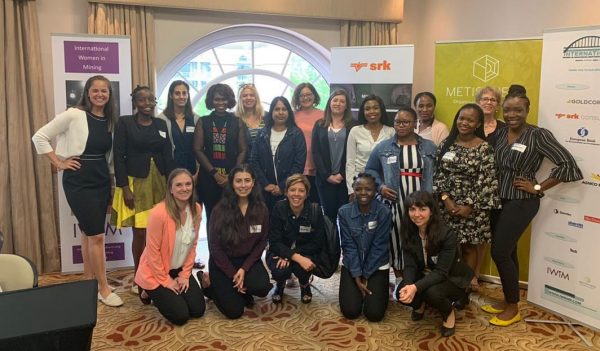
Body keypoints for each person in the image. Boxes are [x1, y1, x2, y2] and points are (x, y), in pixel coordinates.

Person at [482, 85, 582, 326]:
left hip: (521, 201)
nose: (511, 115)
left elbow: (569, 167)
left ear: (527, 110)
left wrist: (538, 188)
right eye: (507, 110)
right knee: (509, 251)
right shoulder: (501, 132)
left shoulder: (538, 135)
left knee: (499, 252)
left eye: (517, 110)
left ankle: (513, 308)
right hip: (499, 200)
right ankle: (509, 299)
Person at [32, 75, 123, 307]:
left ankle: (88, 280)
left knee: (87, 233)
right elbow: (39, 137)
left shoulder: (110, 120)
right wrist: (59, 163)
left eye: (105, 91)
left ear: (109, 95)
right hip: (79, 180)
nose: (100, 94)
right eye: (95, 90)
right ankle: (103, 289)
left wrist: (112, 182)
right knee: (97, 236)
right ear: (88, 93)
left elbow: (109, 156)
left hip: (101, 178)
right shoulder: (74, 114)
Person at [112, 85, 175, 294]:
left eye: (151, 100)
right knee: (140, 233)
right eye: (142, 100)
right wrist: (123, 187)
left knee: (160, 232)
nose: (147, 104)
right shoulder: (125, 123)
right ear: (135, 103)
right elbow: (118, 156)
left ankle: (158, 272)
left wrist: (172, 184)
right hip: (135, 183)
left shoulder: (160, 124)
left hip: (160, 182)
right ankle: (139, 277)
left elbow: (167, 153)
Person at [365, 106, 437, 283]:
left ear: (415, 124)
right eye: (397, 122)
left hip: (422, 202)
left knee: (421, 237)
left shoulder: (429, 146)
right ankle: (399, 278)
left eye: (406, 122)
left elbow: (438, 172)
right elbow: (370, 169)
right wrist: (380, 187)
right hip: (395, 202)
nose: (401, 125)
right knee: (396, 238)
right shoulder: (383, 146)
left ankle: (420, 275)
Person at [433, 103, 501, 291]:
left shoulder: (484, 148)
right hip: (446, 205)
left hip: (473, 207)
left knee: (469, 247)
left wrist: (469, 206)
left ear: (478, 123)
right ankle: (446, 281)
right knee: (448, 246)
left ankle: (464, 285)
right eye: (461, 118)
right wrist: (446, 200)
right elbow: (438, 174)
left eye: (470, 120)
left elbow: (486, 180)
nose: (464, 122)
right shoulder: (446, 144)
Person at [396, 190, 474, 337]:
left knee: (431, 293)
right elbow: (410, 265)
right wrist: (408, 285)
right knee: (401, 291)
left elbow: (441, 272)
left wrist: (415, 287)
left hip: (451, 278)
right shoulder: (408, 231)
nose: (416, 214)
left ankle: (449, 313)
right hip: (427, 274)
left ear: (431, 211)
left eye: (422, 209)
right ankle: (420, 305)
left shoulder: (446, 234)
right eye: (412, 209)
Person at [134, 169, 205, 325]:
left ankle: (165, 293)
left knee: (197, 310)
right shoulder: (158, 213)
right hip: (155, 271)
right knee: (181, 316)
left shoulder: (197, 209)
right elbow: (153, 253)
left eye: (188, 184)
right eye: (178, 185)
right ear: (170, 189)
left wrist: (185, 275)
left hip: (179, 268)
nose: (184, 188)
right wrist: (166, 281)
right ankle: (148, 290)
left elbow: (193, 245)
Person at [206, 164, 272, 319]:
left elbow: (262, 242)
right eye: (238, 181)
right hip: (222, 263)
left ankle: (240, 288)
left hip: (247, 261)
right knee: (234, 312)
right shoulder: (219, 210)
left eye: (247, 180)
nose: (243, 185)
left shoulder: (261, 209)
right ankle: (209, 286)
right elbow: (215, 248)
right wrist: (232, 273)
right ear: (232, 183)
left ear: (253, 182)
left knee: (262, 288)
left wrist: (244, 269)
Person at [338, 173, 391, 322]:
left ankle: (374, 289)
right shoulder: (344, 212)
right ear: (353, 190)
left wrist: (366, 275)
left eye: (368, 189)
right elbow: (348, 246)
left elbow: (379, 247)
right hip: (352, 264)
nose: (363, 193)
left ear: (375, 191)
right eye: (358, 188)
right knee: (350, 311)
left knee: (374, 314)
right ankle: (357, 290)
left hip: (377, 264)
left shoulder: (384, 212)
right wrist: (357, 275)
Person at [193, 83, 248, 222]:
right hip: (209, 178)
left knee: (233, 217)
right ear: (211, 101)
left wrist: (233, 174)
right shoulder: (203, 121)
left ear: (229, 100)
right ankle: (213, 245)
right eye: (217, 99)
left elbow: (243, 150)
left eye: (224, 99)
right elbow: (197, 149)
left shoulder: (237, 122)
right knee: (212, 218)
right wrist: (215, 174)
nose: (221, 103)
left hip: (232, 178)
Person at [267, 174, 325, 304]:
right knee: (280, 270)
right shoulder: (278, 208)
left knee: (304, 267)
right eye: (292, 190)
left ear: (307, 193)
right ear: (286, 192)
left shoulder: (315, 210)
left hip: (305, 250)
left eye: (301, 190)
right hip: (280, 252)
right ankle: (280, 284)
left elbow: (317, 242)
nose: (296, 194)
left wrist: (292, 255)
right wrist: (293, 256)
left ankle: (304, 284)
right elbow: (274, 242)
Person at [250, 97, 306, 211]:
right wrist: (265, 184)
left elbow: (299, 164)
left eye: (284, 109)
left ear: (289, 112)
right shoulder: (262, 133)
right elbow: (254, 161)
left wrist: (282, 186)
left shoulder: (296, 134)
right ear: (271, 112)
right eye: (277, 109)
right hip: (264, 190)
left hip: (288, 190)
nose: (280, 112)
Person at [311, 89, 358, 221]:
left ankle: (343, 242)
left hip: (345, 180)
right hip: (324, 180)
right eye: (335, 100)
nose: (338, 103)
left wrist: (342, 174)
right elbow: (315, 152)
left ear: (347, 105)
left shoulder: (353, 126)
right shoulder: (320, 124)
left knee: (345, 217)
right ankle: (330, 242)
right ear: (329, 103)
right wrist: (327, 175)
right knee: (328, 217)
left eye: (342, 101)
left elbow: (354, 153)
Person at [345, 95, 395, 201]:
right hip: (360, 185)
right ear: (363, 112)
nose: (372, 111)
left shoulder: (391, 132)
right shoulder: (355, 131)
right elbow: (350, 162)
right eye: (367, 109)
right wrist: (351, 189)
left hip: (383, 185)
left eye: (376, 108)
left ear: (381, 110)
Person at [157, 80, 200, 176]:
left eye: (184, 93)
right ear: (171, 96)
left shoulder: (196, 119)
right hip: (170, 170)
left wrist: (198, 173)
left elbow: (200, 148)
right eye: (177, 93)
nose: (181, 97)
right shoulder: (161, 119)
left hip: (192, 170)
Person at [292, 83, 324, 204]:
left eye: (309, 94)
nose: (306, 98)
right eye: (302, 95)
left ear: (314, 95)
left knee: (316, 204)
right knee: (298, 202)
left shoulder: (324, 115)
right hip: (298, 165)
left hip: (318, 166)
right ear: (297, 98)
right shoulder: (292, 116)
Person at [235, 83, 264, 159]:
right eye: (244, 96)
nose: (248, 98)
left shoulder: (266, 117)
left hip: (265, 164)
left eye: (252, 95)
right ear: (240, 99)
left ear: (256, 98)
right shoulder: (235, 119)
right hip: (243, 164)